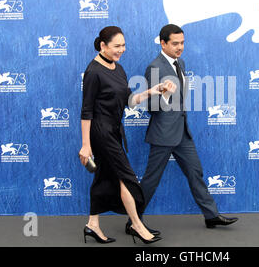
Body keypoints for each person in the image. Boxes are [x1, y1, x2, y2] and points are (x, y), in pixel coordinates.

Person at [126, 24, 238, 233]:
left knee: (195, 172)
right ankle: (134, 222)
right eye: (175, 43)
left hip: (182, 132)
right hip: (163, 133)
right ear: (163, 43)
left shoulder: (181, 63)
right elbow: (150, 107)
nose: (180, 47)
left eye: (182, 43)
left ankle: (211, 216)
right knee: (151, 180)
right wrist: (165, 94)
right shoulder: (155, 67)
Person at [79, 26, 174, 244]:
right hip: (100, 133)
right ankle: (137, 226)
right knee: (126, 178)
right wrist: (86, 145)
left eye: (123, 45)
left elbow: (129, 101)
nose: (121, 49)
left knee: (104, 177)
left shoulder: (119, 69)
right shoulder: (93, 71)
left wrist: (153, 91)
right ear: (103, 45)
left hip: (114, 131)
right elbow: (86, 111)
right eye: (116, 46)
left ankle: (92, 225)